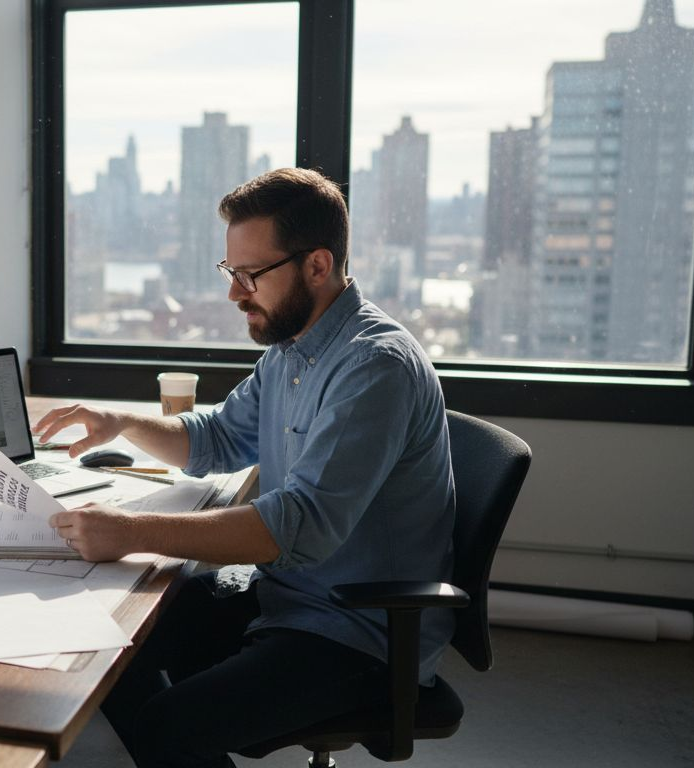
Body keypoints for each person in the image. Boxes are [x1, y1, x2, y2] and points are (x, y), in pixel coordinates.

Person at [33, 167, 456, 768]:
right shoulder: (293, 348)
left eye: (251, 275)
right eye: (232, 273)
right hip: (284, 597)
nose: (236, 294)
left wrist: (128, 532)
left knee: (167, 729)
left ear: (317, 265)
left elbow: (297, 526)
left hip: (358, 630)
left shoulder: (374, 368)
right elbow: (218, 438)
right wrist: (122, 423)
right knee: (107, 645)